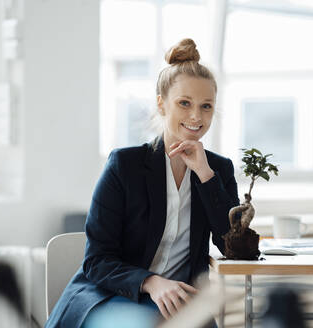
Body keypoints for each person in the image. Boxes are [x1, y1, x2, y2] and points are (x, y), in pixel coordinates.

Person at [45, 38, 239, 328]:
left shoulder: (218, 170)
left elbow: (234, 249)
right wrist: (151, 282)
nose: (196, 116)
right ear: (161, 104)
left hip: (179, 304)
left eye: (206, 106)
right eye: (184, 103)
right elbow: (97, 260)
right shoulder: (125, 165)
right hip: (112, 296)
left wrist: (205, 175)